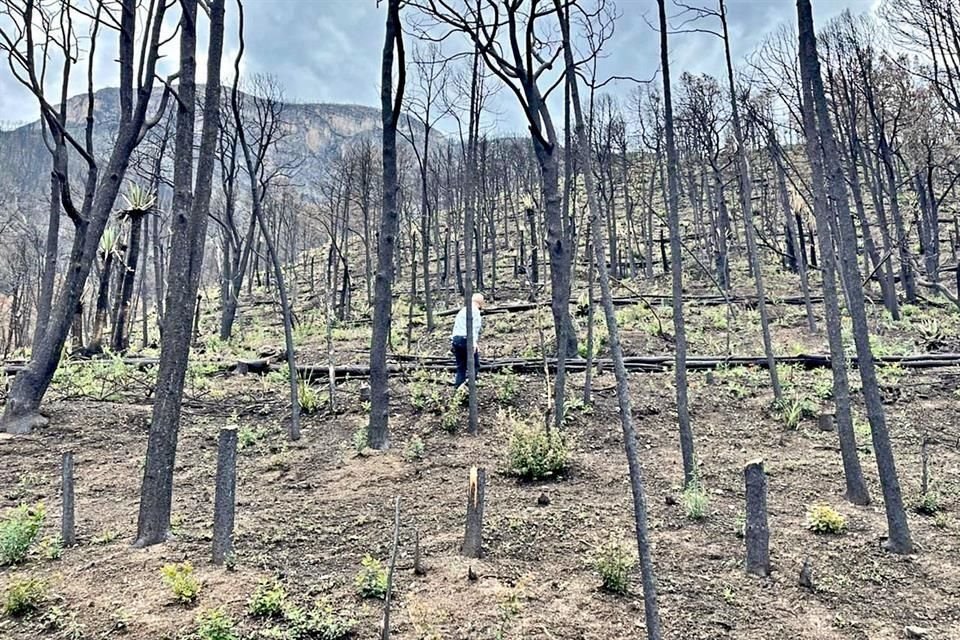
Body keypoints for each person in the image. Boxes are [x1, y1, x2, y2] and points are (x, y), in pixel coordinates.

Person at [451, 292, 484, 388]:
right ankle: (469, 386)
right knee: (475, 365)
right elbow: (474, 328)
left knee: (461, 367)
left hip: (456, 339)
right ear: (480, 302)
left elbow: (456, 327)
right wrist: (474, 343)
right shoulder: (475, 312)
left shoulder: (462, 310)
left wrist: (453, 342)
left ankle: (458, 388)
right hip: (466, 340)